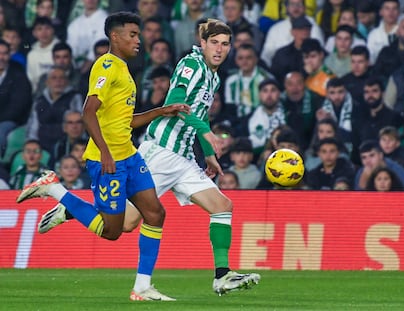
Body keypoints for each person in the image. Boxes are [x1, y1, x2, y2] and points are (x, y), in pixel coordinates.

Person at [25, 17, 259, 297]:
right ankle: (71, 208)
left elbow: (200, 111)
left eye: (225, 44)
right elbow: (178, 98)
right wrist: (206, 133)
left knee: (222, 206)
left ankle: (222, 276)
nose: (220, 49)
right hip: (161, 151)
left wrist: (208, 154)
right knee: (125, 224)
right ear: (203, 44)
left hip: (184, 158)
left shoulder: (213, 76)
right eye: (214, 43)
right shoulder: (191, 64)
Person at [16, 12, 190, 301]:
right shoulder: (107, 66)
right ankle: (55, 189)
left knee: (155, 214)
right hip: (107, 160)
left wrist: (160, 110)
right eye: (132, 34)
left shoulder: (124, 69)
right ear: (115, 36)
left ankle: (143, 287)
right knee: (112, 232)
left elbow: (125, 121)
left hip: (130, 156)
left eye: (139, 34)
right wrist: (106, 153)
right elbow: (88, 111)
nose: (138, 40)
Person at [26, 65, 84, 154]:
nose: (58, 81)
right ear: (47, 82)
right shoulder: (39, 101)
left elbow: (78, 124)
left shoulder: (74, 98)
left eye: (62, 78)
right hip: (41, 147)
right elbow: (33, 128)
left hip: (65, 147)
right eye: (54, 78)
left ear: (67, 81)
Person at [0, 39, 32, 158]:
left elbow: (17, 107)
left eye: (4, 53)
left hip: (8, 121)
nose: (1, 57)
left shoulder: (18, 76)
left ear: (10, 55)